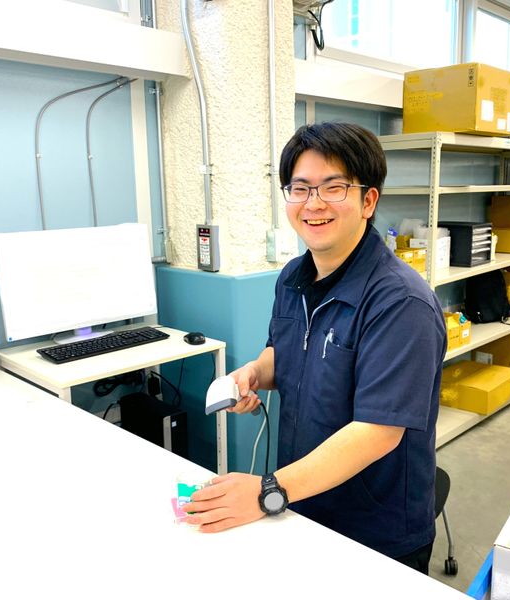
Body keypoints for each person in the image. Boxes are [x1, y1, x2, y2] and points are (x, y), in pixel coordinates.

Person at [182, 122, 446, 574]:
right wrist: (254, 373)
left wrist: (266, 490)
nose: (314, 204)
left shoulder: (400, 303)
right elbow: (283, 352)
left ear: (368, 201)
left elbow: (379, 431)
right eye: (300, 188)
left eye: (333, 187)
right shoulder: (293, 277)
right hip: (302, 502)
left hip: (373, 530)